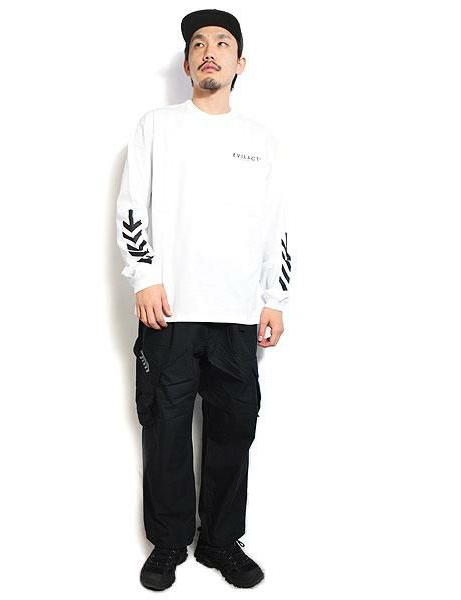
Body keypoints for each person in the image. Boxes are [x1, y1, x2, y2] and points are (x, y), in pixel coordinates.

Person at [115, 8, 292, 591]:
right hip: (170, 313)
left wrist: (274, 298)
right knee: (165, 431)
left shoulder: (259, 140)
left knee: (234, 431)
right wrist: (144, 277)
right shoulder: (158, 127)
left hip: (238, 316)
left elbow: (275, 225)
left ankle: (220, 541)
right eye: (197, 43)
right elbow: (132, 203)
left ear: (240, 63)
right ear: (188, 62)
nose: (209, 50)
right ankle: (169, 544)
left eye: (222, 43)